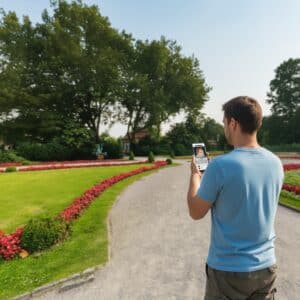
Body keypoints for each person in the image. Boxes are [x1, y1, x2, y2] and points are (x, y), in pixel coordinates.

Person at [187, 96, 284, 299]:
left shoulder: (220, 166)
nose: (224, 128)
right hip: (266, 267)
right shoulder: (275, 163)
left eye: (224, 123)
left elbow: (196, 211)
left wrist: (195, 176)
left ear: (233, 123)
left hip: (228, 271)